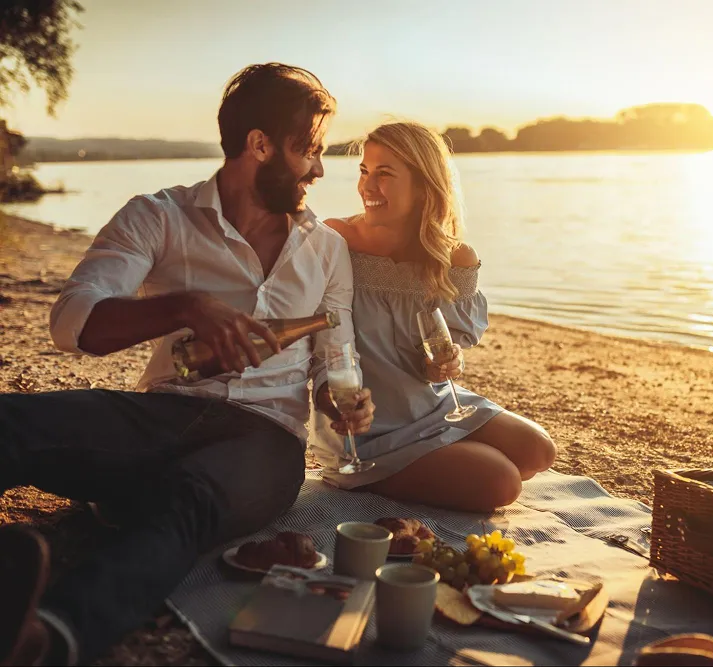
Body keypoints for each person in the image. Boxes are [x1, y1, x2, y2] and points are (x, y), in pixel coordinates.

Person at [0, 62, 374, 666]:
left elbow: (337, 360)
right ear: (259, 146)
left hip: (266, 439)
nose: (319, 169)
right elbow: (72, 323)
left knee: (188, 506)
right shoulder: (158, 216)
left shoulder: (327, 248)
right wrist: (185, 307)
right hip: (162, 412)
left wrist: (340, 400)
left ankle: (47, 637)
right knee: (13, 423)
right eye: (309, 150)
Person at [316, 121, 556, 513]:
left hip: (432, 406)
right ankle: (373, 475)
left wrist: (448, 361)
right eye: (364, 172)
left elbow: (449, 348)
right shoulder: (335, 241)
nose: (367, 187)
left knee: (538, 451)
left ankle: (440, 455)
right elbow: (317, 339)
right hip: (368, 428)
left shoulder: (455, 258)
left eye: (384, 174)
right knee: (501, 482)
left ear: (424, 184)